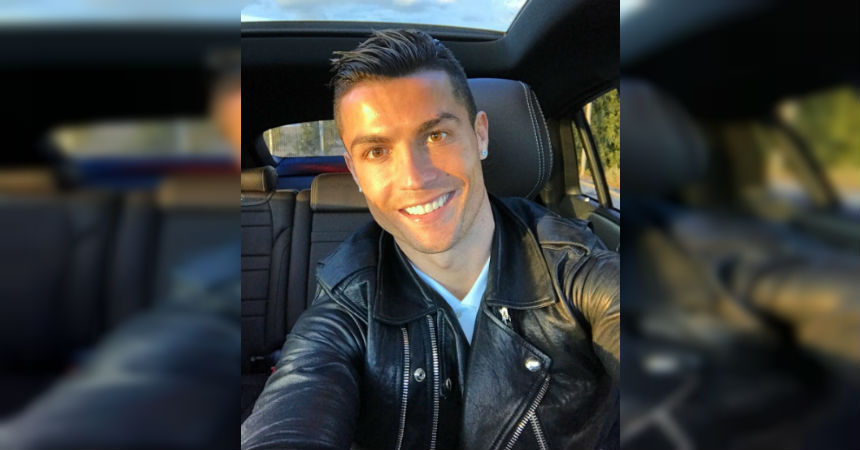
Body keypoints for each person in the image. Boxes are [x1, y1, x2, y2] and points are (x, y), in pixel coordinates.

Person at [241, 29, 619, 450]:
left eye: (436, 135)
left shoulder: (574, 266)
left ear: (480, 135)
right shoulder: (347, 300)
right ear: (355, 171)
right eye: (377, 151)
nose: (415, 178)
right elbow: (295, 400)